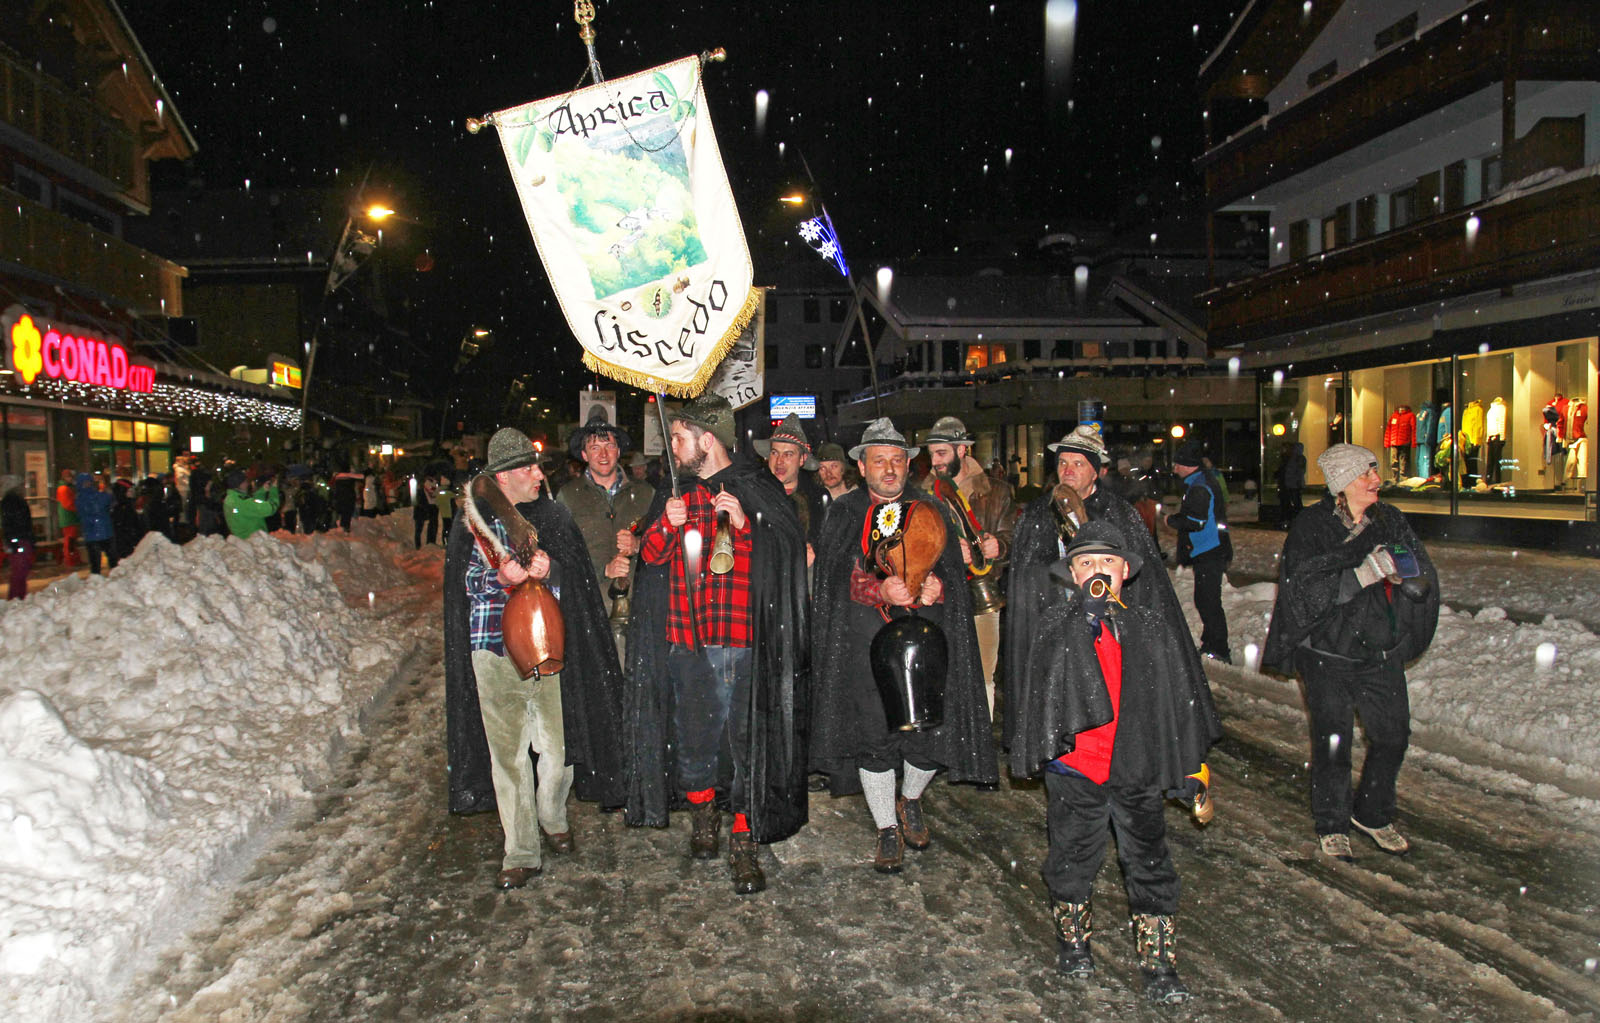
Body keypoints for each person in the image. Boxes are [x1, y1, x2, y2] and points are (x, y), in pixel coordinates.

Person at [1010, 522, 1219, 1004]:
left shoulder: (1151, 626)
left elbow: (1176, 701)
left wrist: (1189, 765)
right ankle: (1074, 942)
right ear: (1072, 575)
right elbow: (1045, 685)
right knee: (1072, 858)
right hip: (1077, 768)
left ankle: (1159, 963)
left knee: (1149, 863)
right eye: (1085, 563)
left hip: (1137, 766)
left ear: (1125, 571)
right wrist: (1085, 620)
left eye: (1107, 562)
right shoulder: (1058, 623)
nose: (1096, 571)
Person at [624, 394, 810, 896]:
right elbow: (653, 559)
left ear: (707, 441)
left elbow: (785, 555)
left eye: (680, 439)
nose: (674, 448)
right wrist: (667, 520)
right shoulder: (674, 491)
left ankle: (744, 839)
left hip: (745, 643)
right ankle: (704, 814)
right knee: (695, 741)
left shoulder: (756, 488)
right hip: (688, 642)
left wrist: (750, 528)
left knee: (749, 743)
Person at [810, 417, 996, 874]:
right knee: (874, 734)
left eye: (897, 460)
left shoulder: (931, 507)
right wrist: (877, 590)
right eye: (879, 461)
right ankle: (885, 827)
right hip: (864, 639)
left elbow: (952, 568)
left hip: (925, 637)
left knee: (927, 732)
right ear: (863, 466)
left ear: (908, 464)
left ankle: (910, 798)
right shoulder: (845, 512)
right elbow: (834, 576)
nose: (889, 469)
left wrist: (939, 587)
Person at [1005, 425, 1216, 823]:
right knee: (1068, 721)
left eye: (1077, 464)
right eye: (1062, 463)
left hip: (1113, 639)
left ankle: (1122, 785)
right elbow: (1028, 577)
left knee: (1119, 718)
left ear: (1096, 470)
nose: (1067, 470)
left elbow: (1145, 581)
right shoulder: (1038, 513)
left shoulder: (1120, 515)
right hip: (1063, 636)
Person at [460, 427, 626, 888]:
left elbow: (574, 580)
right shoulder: (475, 520)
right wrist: (499, 576)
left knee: (557, 748)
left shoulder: (553, 515)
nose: (539, 474)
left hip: (549, 647)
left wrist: (551, 570)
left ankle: (553, 813)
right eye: (528, 468)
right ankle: (522, 850)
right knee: (509, 757)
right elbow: (465, 586)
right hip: (493, 652)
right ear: (505, 477)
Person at [1262, 444, 1439, 862]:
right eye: (1367, 474)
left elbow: (1414, 562)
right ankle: (1332, 822)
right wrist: (1362, 573)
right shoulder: (1312, 527)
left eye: (1375, 471)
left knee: (1393, 737)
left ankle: (1372, 814)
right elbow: (1304, 591)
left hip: (1380, 649)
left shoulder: (1389, 519)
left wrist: (1403, 570)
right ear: (1342, 483)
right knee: (1333, 741)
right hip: (1327, 653)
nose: (1376, 480)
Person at [923, 416, 1014, 719]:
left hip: (981, 596)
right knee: (941, 673)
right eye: (931, 453)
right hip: (937, 595)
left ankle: (981, 750)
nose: (934, 461)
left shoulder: (996, 492)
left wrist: (997, 546)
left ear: (962, 450)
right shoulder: (921, 493)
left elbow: (1011, 538)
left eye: (941, 453)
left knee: (984, 674)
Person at [558, 407, 655, 662]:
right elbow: (561, 556)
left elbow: (668, 544)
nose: (603, 454)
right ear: (583, 454)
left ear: (619, 451)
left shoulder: (647, 494)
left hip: (639, 613)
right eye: (594, 447)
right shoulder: (568, 496)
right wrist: (604, 571)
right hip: (589, 613)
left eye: (609, 446)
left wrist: (639, 545)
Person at [1168, 441, 1233, 664]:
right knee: (1205, 599)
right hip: (1208, 550)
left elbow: (1195, 522)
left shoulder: (1199, 487)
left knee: (1208, 601)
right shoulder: (1198, 482)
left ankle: (1219, 649)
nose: (1174, 468)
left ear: (1188, 465)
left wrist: (1171, 520)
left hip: (1209, 551)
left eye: (1177, 464)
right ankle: (1211, 643)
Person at [754, 412, 826, 560]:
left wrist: (815, 553)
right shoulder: (754, 496)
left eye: (788, 454)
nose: (779, 461)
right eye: (774, 453)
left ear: (802, 459)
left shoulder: (817, 500)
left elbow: (830, 546)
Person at [75, 472, 117, 575]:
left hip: (96, 532)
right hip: (99, 532)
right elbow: (101, 505)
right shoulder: (89, 497)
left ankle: (103, 579)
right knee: (103, 560)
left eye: (89, 482)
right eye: (86, 482)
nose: (88, 484)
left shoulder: (84, 497)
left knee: (103, 560)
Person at [223, 470, 281, 540]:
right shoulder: (242, 501)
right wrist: (273, 490)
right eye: (246, 481)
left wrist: (263, 491)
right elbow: (270, 508)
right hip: (253, 541)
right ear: (241, 484)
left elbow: (253, 504)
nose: (248, 484)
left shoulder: (231, 498)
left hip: (242, 539)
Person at [2, 475, 34, 599]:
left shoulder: (12, 501)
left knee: (21, 570)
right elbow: (12, 523)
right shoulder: (13, 501)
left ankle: (18, 596)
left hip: (20, 538)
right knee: (20, 570)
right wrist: (13, 541)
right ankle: (17, 596)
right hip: (19, 539)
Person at [1276, 442, 1307, 527]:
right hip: (1290, 484)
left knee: (1295, 502)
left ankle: (1295, 519)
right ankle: (1291, 519)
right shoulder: (1293, 458)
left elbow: (1298, 472)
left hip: (1293, 484)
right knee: (1292, 502)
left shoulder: (1296, 458)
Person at [54, 469, 80, 568]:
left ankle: (74, 559)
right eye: (69, 477)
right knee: (70, 540)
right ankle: (71, 560)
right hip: (69, 518)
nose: (71, 479)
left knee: (71, 540)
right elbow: (68, 504)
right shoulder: (64, 489)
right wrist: (77, 509)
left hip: (69, 518)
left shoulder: (64, 488)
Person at [413, 474, 440, 548]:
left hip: (429, 507)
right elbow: (419, 501)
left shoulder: (435, 483)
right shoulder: (423, 488)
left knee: (432, 525)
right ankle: (419, 545)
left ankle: (430, 541)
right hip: (421, 509)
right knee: (419, 529)